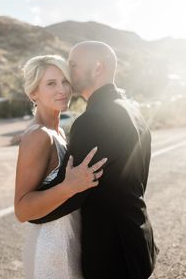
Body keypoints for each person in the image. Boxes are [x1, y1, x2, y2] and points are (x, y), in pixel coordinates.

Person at [31, 42, 159, 279]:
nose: (69, 73)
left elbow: (72, 193)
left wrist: (32, 209)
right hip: (138, 238)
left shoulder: (93, 121)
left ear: (98, 67)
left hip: (112, 253)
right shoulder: (132, 111)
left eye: (74, 65)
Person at [14, 54, 107, 279]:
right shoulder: (38, 136)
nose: (62, 89)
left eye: (65, 81)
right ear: (33, 92)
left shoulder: (59, 133)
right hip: (52, 250)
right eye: (51, 83)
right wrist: (70, 186)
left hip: (69, 241)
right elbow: (22, 209)